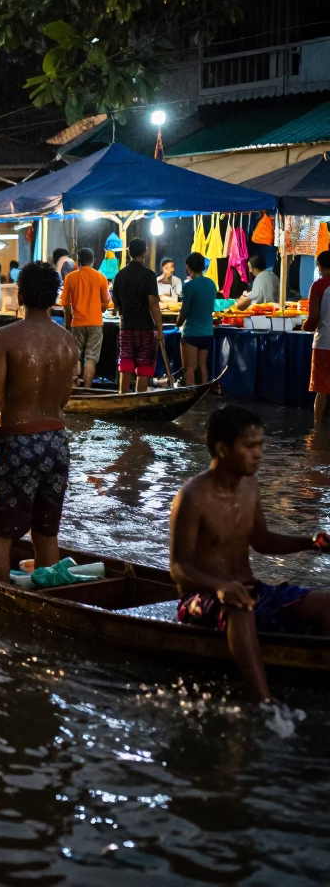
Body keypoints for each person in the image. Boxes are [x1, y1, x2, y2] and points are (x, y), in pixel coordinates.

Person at [169, 406, 330, 701]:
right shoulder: (191, 496)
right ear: (223, 449)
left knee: (325, 604)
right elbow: (178, 568)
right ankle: (264, 702)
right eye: (250, 446)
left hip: (250, 590)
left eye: (260, 445)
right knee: (240, 610)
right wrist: (220, 588)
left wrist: (310, 542)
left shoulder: (251, 487)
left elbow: (262, 541)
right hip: (198, 599)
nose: (258, 454)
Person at [0, 261, 80, 582]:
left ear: (20, 296)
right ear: (55, 297)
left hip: (17, 441)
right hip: (57, 443)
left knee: (0, 536)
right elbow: (63, 401)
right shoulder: (67, 342)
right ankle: (48, 596)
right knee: (45, 533)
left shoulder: (4, 337)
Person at [111, 237, 163, 393]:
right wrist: (159, 328)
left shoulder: (120, 275)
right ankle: (138, 399)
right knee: (144, 364)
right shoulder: (149, 275)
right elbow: (153, 304)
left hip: (126, 326)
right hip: (145, 327)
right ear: (144, 253)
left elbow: (115, 303)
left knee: (126, 361)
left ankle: (122, 398)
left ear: (128, 253)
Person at [61, 247, 111, 388]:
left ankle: (75, 388)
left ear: (79, 261)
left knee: (75, 355)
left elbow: (65, 305)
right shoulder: (101, 277)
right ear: (93, 261)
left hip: (77, 323)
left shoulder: (70, 278)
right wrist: (99, 309)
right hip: (95, 323)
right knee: (91, 357)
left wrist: (67, 323)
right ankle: (87, 390)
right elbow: (106, 303)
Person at [176, 251, 217, 387]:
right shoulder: (212, 284)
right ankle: (204, 395)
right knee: (203, 365)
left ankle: (189, 395)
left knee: (190, 368)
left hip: (192, 333)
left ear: (188, 267)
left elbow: (185, 310)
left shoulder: (189, 286)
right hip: (207, 332)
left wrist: (178, 323)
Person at [303, 249, 330, 424]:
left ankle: (317, 428)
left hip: (324, 343)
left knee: (322, 389)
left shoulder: (319, 285)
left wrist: (305, 326)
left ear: (319, 266)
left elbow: (313, 318)